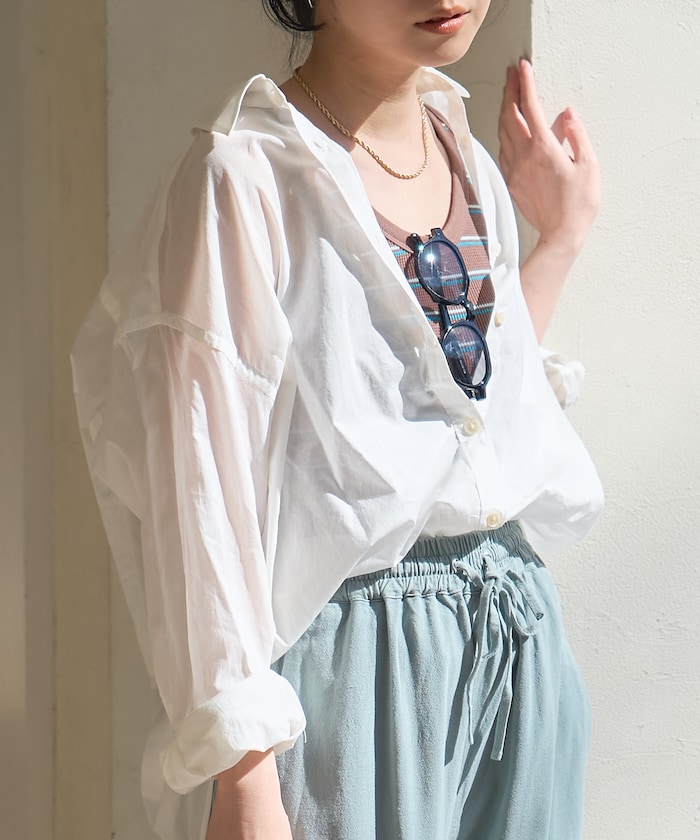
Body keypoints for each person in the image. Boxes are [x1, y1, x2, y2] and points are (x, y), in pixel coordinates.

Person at [72, 1, 604, 839]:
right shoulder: (244, 177)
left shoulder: (464, 155)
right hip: (361, 675)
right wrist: (244, 774)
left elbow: (469, 414)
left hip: (519, 648)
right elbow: (201, 492)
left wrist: (559, 242)